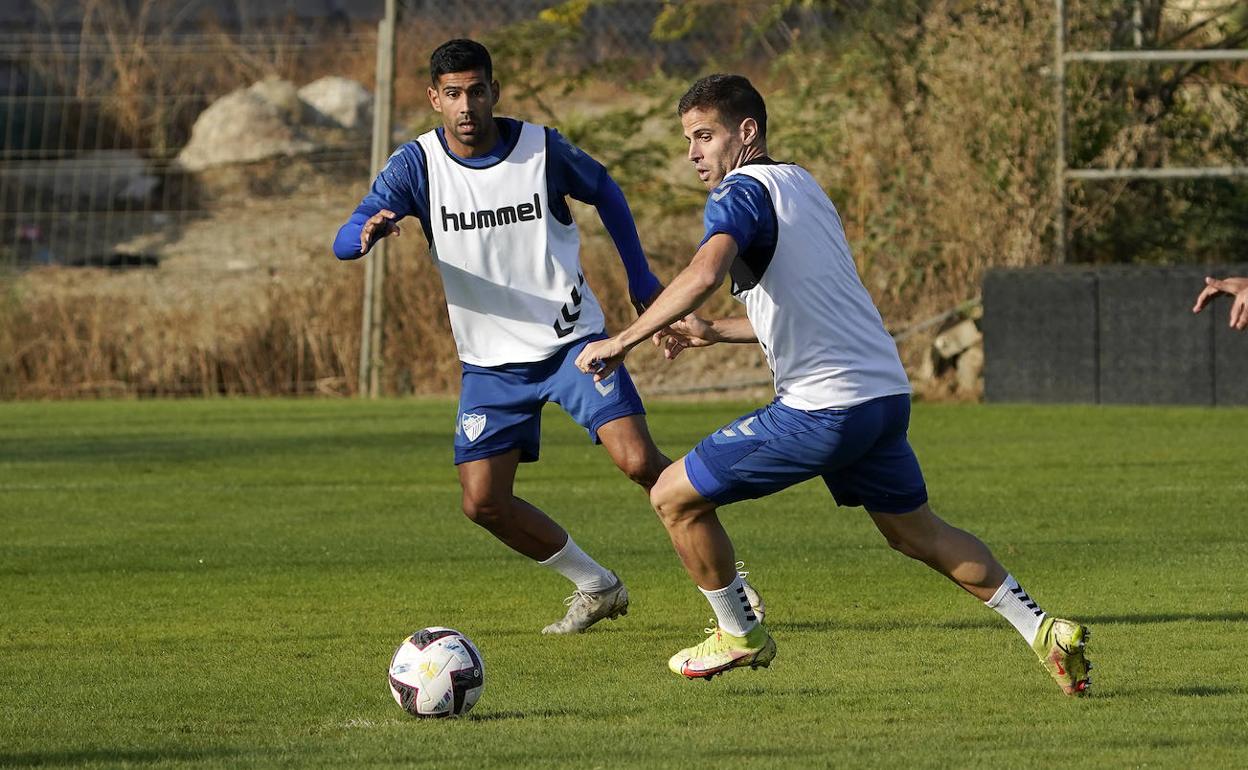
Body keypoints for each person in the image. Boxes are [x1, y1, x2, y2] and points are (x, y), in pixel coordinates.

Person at [575, 74, 1092, 696]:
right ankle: (1043, 631)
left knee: (672, 496)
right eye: (688, 139)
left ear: (747, 132)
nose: (693, 153)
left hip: (824, 408)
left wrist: (621, 340)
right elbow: (807, 309)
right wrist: (712, 332)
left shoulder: (739, 192)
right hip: (881, 396)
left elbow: (704, 269)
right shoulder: (804, 187)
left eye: (704, 136)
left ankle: (738, 632)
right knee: (914, 532)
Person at [333, 41, 761, 634]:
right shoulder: (417, 165)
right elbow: (349, 229)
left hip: (573, 345)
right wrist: (365, 231)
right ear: (434, 98)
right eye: (452, 94)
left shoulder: (540, 148)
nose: (466, 106)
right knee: (482, 502)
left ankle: (730, 586)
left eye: (476, 91)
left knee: (640, 462)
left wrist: (639, 276)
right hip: (490, 365)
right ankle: (596, 586)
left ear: (493, 92)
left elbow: (606, 189)